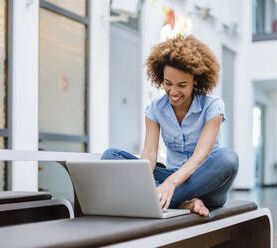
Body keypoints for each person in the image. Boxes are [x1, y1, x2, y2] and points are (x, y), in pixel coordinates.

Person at [102, 35, 239, 216]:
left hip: (206, 181)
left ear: (195, 81)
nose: (173, 92)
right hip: (171, 176)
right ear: (161, 78)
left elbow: (200, 156)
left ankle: (158, 200)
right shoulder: (155, 110)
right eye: (168, 83)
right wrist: (143, 178)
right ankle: (179, 202)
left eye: (182, 85)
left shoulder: (213, 106)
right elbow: (150, 154)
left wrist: (170, 184)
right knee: (110, 156)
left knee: (228, 158)